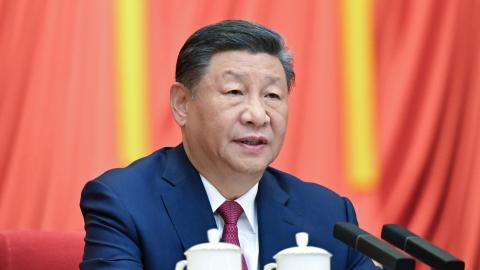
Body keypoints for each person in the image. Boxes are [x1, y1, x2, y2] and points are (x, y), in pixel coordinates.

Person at [80, 20, 377, 270]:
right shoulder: (124, 203)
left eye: (272, 96)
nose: (257, 115)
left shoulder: (330, 216)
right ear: (182, 104)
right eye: (235, 92)